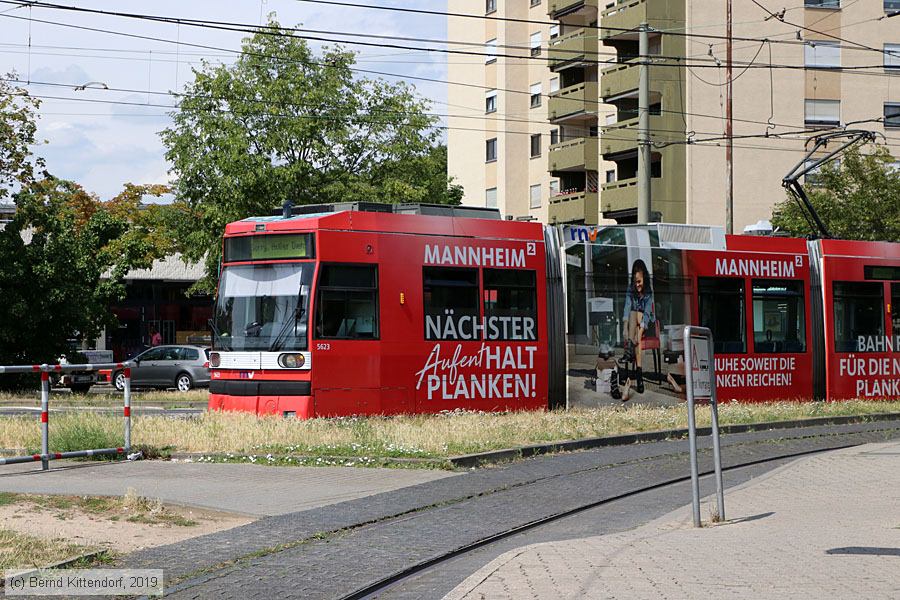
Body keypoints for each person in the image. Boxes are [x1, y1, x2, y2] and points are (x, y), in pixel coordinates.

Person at [619, 259, 655, 399]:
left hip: (647, 323)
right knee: (632, 314)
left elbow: (647, 314)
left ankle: (629, 350)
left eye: (639, 281)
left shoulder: (648, 292)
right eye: (635, 282)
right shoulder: (630, 289)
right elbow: (627, 307)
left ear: (644, 279)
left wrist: (639, 331)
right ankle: (639, 375)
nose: (637, 285)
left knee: (637, 314)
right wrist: (624, 326)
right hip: (634, 325)